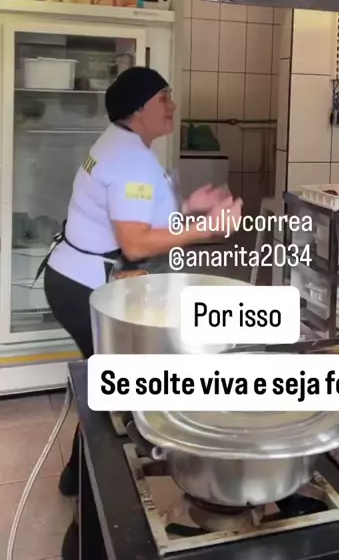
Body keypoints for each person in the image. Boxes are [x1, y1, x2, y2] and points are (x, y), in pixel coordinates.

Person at [42, 66, 242, 501]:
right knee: (116, 391)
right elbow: (134, 242)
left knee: (110, 386)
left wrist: (188, 206)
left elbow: (136, 212)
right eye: (163, 99)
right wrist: (207, 228)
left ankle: (76, 477)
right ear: (137, 109)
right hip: (85, 287)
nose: (173, 106)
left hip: (71, 277)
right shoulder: (130, 158)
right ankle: (92, 511)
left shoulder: (120, 144)